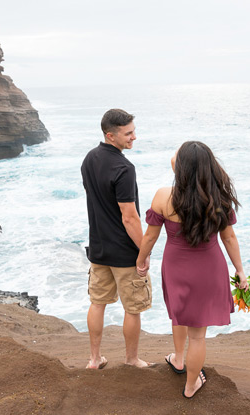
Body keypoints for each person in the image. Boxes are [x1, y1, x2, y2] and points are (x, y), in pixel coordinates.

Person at [135, 141, 247, 398]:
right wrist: (240, 270)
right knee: (198, 336)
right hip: (209, 269)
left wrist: (141, 260)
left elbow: (150, 237)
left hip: (176, 267)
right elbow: (229, 238)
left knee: (180, 313)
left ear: (181, 167)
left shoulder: (164, 196)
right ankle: (190, 384)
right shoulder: (218, 198)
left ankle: (178, 358)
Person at [80, 108, 151, 370]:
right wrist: (144, 251)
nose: (134, 137)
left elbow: (97, 201)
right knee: (132, 308)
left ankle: (94, 359)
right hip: (123, 253)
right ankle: (132, 360)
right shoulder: (124, 168)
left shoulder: (89, 159)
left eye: (134, 131)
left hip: (98, 249)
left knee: (97, 303)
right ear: (110, 135)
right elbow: (129, 217)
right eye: (128, 133)